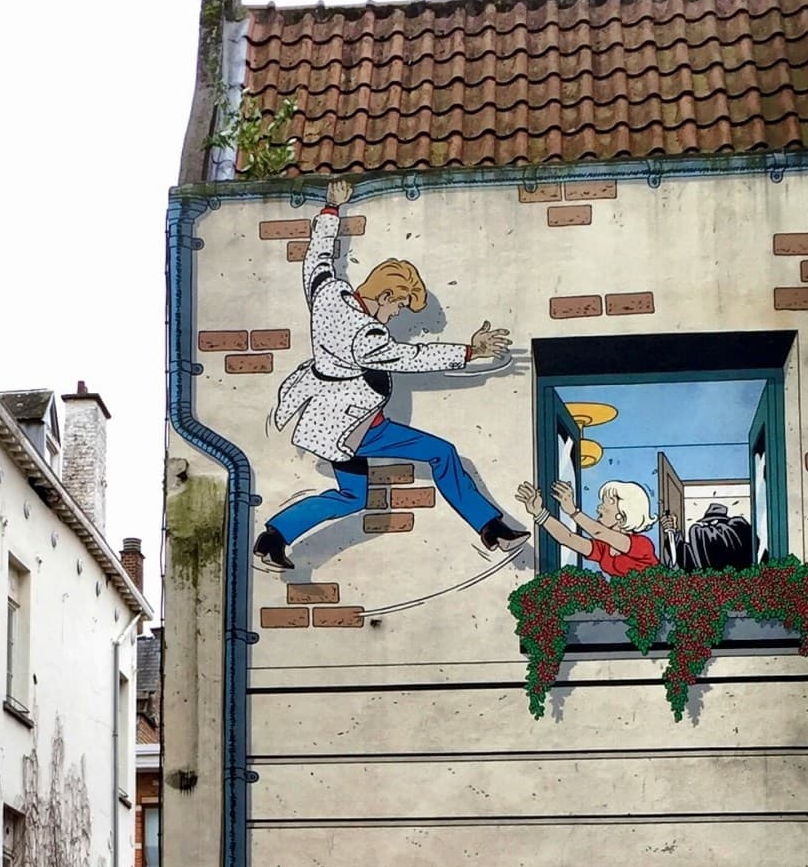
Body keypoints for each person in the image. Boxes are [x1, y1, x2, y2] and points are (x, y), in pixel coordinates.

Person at [256, 179, 529, 568]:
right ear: (385, 296)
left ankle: (274, 537)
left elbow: (316, 261)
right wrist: (470, 351)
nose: (398, 314)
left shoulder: (329, 293)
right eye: (399, 305)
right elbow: (411, 357)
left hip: (331, 420)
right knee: (442, 453)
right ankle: (491, 528)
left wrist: (331, 210)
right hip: (358, 427)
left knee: (352, 496)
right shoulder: (365, 334)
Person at [515, 475, 659, 575]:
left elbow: (598, 532)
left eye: (606, 503)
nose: (599, 508)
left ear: (622, 513)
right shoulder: (604, 548)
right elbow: (568, 538)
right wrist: (539, 512)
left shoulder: (642, 545)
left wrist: (572, 511)